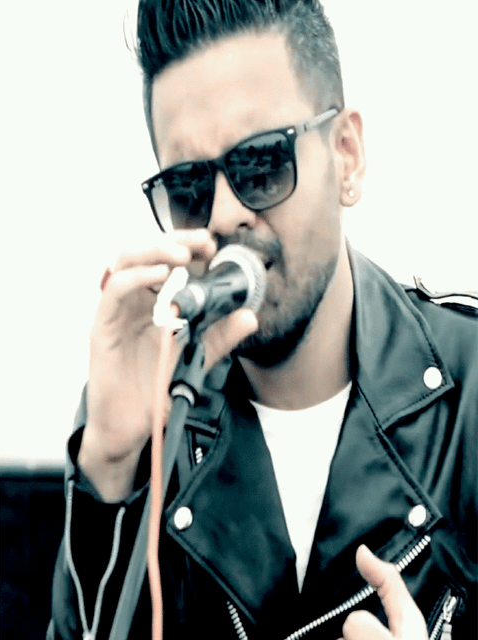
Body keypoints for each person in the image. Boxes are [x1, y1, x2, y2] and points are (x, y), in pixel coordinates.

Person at [48, 1, 477, 638]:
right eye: (190, 186)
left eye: (261, 163)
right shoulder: (153, 415)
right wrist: (109, 466)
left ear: (346, 156)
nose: (224, 215)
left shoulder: (470, 396)